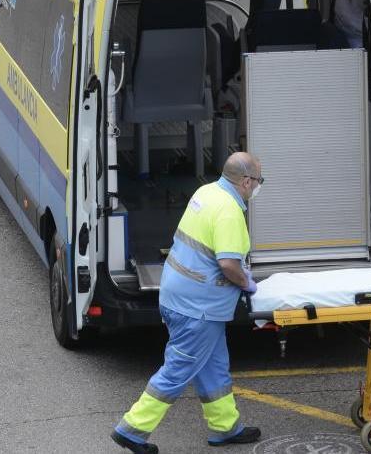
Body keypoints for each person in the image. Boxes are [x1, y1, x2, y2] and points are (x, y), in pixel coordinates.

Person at [113, 152, 265, 453]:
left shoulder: (205, 192)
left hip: (178, 294)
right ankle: (132, 429)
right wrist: (248, 284)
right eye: (258, 181)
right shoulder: (230, 211)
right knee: (178, 369)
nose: (258, 187)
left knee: (214, 365)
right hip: (199, 308)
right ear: (246, 181)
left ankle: (225, 427)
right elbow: (229, 265)